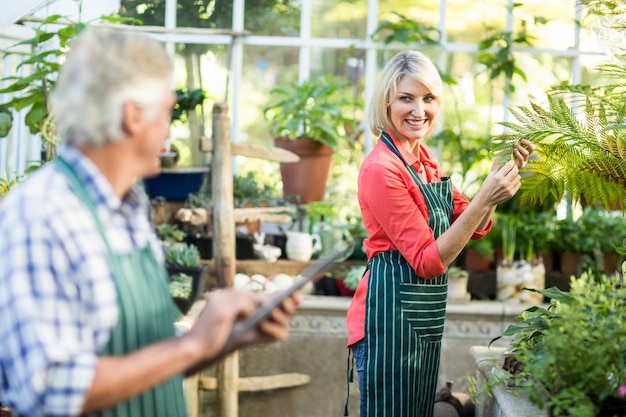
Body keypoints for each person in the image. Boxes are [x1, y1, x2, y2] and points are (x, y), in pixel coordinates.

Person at [0, 28, 300, 417]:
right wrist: (192, 344)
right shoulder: (41, 215)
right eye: (166, 112)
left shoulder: (128, 210)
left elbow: (149, 362)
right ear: (132, 115)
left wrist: (229, 338)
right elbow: (50, 390)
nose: (168, 129)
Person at [345, 50, 535, 417]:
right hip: (387, 324)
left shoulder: (424, 158)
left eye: (428, 98)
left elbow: (475, 222)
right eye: (406, 98)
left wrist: (498, 180)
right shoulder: (381, 170)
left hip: (418, 324)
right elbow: (429, 261)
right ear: (387, 102)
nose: (419, 110)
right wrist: (485, 197)